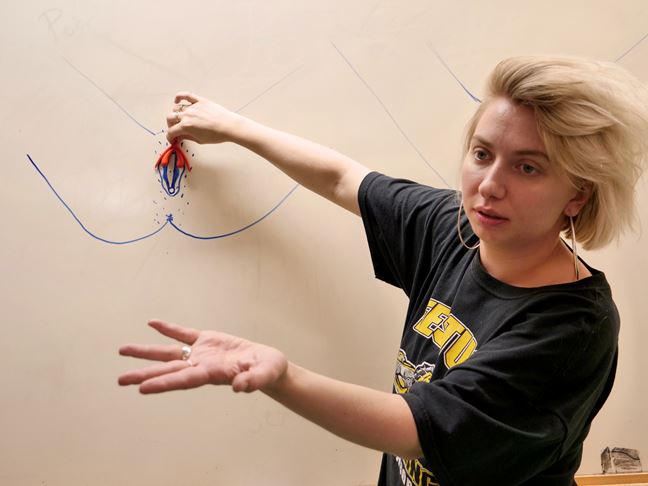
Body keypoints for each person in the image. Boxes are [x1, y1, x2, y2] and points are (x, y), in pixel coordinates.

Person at [118, 56, 648, 486]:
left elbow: (419, 426)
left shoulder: (573, 328)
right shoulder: (456, 229)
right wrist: (232, 128)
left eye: (527, 167)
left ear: (578, 194)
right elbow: (342, 178)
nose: (489, 185)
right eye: (482, 154)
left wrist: (283, 375)